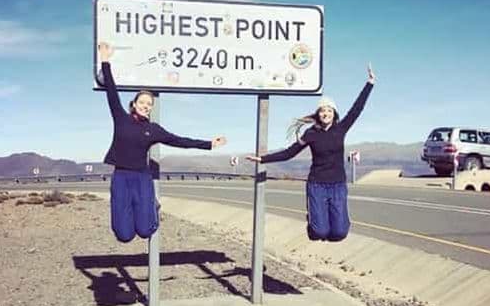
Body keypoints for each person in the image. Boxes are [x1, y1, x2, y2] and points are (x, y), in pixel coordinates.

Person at [96, 42, 227, 243]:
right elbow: (111, 91)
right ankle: (135, 213)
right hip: (121, 177)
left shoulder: (153, 129)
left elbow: (179, 140)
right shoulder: (121, 118)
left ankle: (152, 206)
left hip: (142, 178)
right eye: (142, 102)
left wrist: (209, 144)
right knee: (124, 235)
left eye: (149, 104)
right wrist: (105, 59)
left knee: (145, 230)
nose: (145, 106)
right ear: (134, 104)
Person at [246, 65, 377, 241]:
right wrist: (263, 159)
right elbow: (290, 153)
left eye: (329, 110)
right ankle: (313, 222)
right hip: (317, 185)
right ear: (318, 114)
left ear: (334, 114)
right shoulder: (311, 134)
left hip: (338, 185)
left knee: (339, 233)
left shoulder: (341, 129)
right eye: (322, 110)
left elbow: (356, 109)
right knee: (319, 232)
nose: (326, 113)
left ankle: (335, 222)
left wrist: (369, 84)